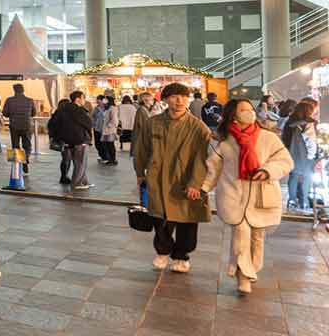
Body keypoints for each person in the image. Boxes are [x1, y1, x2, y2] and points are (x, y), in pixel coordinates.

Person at [201, 98, 292, 294]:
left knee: (258, 237)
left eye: (251, 109)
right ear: (233, 114)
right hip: (233, 195)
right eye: (244, 110)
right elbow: (213, 168)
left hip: (262, 194)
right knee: (241, 234)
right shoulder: (224, 141)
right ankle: (243, 275)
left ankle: (252, 269)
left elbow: (284, 161)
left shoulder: (268, 137)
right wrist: (204, 188)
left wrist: (268, 170)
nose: (250, 113)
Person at [132, 83, 211, 273]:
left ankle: (181, 256)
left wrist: (195, 183)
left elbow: (202, 159)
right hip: (158, 179)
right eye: (175, 97)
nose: (180, 101)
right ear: (165, 99)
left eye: (184, 97)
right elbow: (141, 149)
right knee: (160, 217)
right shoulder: (153, 123)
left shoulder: (198, 127)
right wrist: (140, 173)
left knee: (187, 220)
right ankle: (163, 252)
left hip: (184, 181)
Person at [49, 90, 93, 190]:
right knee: (80, 162)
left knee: (78, 162)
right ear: (77, 99)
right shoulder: (79, 110)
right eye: (83, 98)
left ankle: (84, 181)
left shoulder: (62, 109)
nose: (84, 100)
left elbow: (53, 124)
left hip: (67, 140)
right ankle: (77, 183)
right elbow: (89, 124)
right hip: (79, 139)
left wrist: (58, 137)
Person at [281, 99, 318, 212]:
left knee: (293, 177)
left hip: (291, 153)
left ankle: (291, 201)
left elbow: (284, 138)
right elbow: (311, 141)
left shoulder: (289, 122)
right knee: (307, 178)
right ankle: (304, 201)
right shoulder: (309, 123)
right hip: (306, 155)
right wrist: (312, 156)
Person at [2, 84, 35, 173]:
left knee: (15, 146)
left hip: (14, 126)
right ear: (23, 90)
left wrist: (12, 114)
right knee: (27, 146)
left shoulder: (9, 100)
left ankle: (16, 169)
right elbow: (34, 113)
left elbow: (5, 113)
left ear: (14, 90)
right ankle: (26, 159)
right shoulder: (30, 100)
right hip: (27, 126)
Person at [100, 93, 119, 165]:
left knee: (110, 145)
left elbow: (114, 119)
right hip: (106, 130)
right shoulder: (107, 108)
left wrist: (109, 125)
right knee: (107, 145)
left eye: (105, 100)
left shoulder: (113, 108)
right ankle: (110, 159)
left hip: (110, 130)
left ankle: (113, 159)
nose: (104, 101)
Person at [91, 97, 107, 162]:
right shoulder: (96, 108)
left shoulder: (106, 108)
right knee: (97, 143)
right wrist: (93, 125)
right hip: (96, 128)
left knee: (103, 143)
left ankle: (105, 156)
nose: (97, 101)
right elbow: (92, 116)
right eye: (97, 100)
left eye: (99, 100)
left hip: (104, 128)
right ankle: (100, 155)